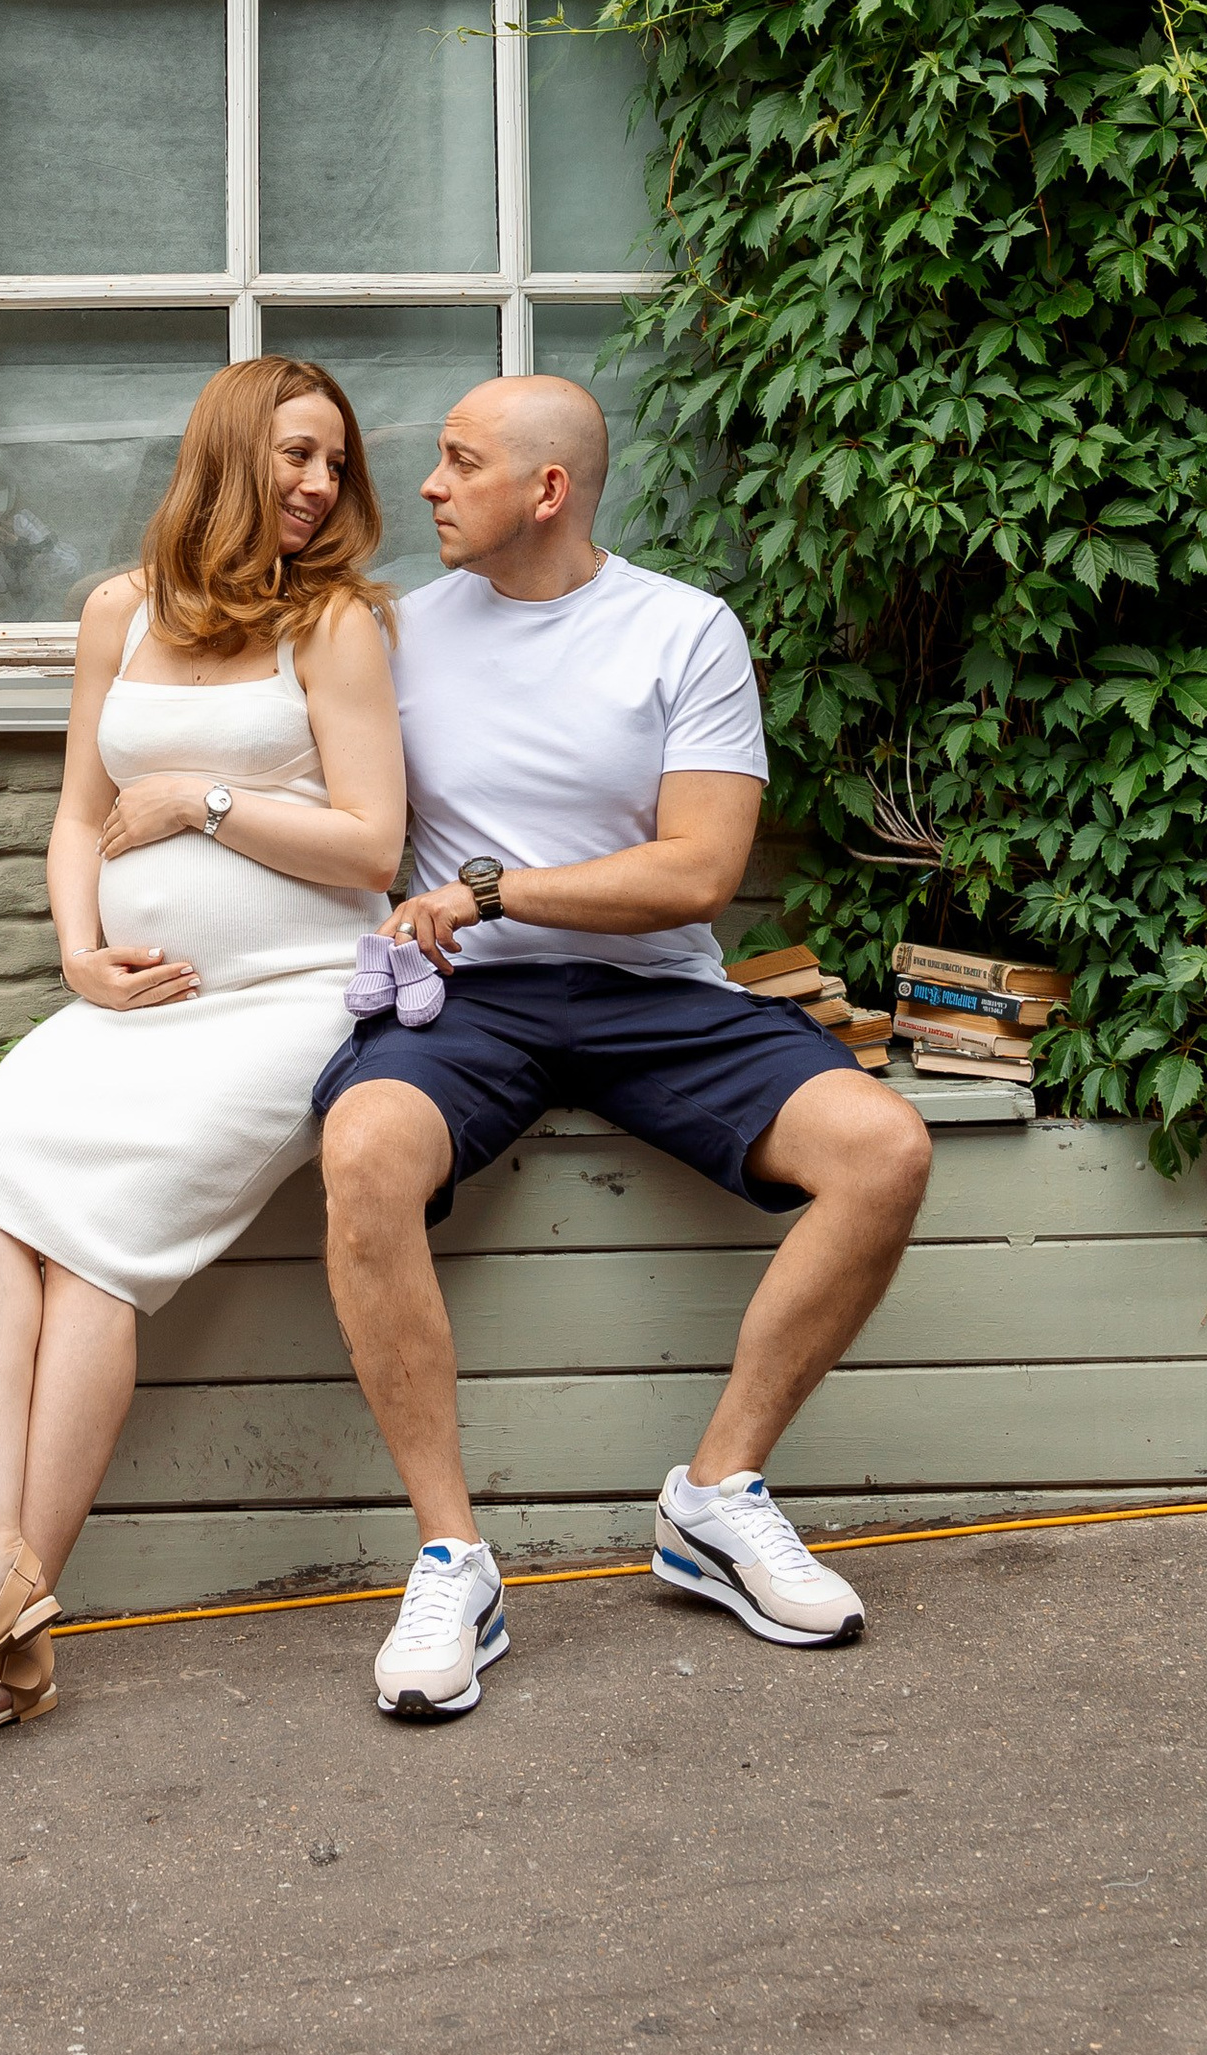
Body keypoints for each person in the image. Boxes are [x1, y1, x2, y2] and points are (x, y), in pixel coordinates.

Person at [313, 375, 934, 1719]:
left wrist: (493, 889)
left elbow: (698, 872)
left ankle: (716, 1498)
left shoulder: (682, 630)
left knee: (882, 1148)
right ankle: (452, 1560)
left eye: (459, 461)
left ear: (548, 490)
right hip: (470, 1003)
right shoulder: (397, 633)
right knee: (362, 1147)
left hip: (654, 992)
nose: (428, 485)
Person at [0, 355, 406, 1762]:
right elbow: (74, 820)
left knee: (96, 1243)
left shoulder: (335, 624)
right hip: (133, 1005)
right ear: (227, 451)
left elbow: (372, 846)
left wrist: (204, 801)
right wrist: (80, 951)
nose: (318, 484)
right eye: (294, 454)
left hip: (287, 1001)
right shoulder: (120, 612)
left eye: (335, 463)